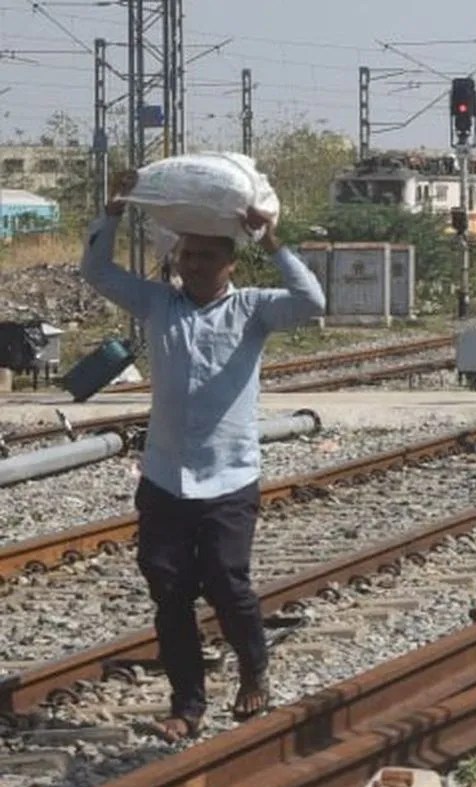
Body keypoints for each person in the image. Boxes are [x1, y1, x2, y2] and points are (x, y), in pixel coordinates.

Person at [81, 170, 326, 743]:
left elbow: (312, 301)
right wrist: (113, 210)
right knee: (169, 593)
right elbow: (96, 271)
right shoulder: (157, 303)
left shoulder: (254, 310)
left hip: (228, 478)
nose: (193, 265)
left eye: (206, 257)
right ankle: (187, 705)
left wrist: (271, 241)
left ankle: (253, 666)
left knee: (227, 583)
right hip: (165, 476)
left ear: (230, 264)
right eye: (187, 255)